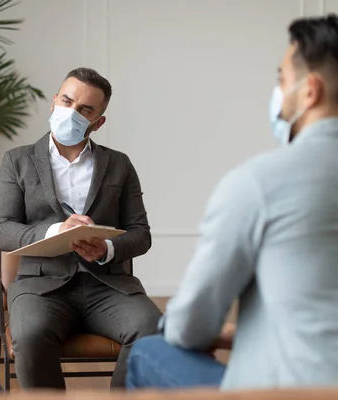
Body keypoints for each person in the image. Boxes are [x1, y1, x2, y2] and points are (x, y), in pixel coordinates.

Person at [126, 14, 338, 391]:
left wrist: (190, 329)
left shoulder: (259, 184)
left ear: (310, 91)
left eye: (282, 80)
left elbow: (191, 326)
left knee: (149, 351)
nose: (278, 93)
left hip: (292, 391)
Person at [0, 67, 162, 389]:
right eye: (67, 101)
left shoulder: (119, 164)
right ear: (54, 101)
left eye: (85, 110)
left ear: (98, 122)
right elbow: (2, 230)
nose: (72, 112)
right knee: (29, 336)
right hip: (40, 287)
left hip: (107, 285)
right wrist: (55, 231)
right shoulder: (18, 161)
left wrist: (107, 249)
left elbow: (141, 233)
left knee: (152, 328)